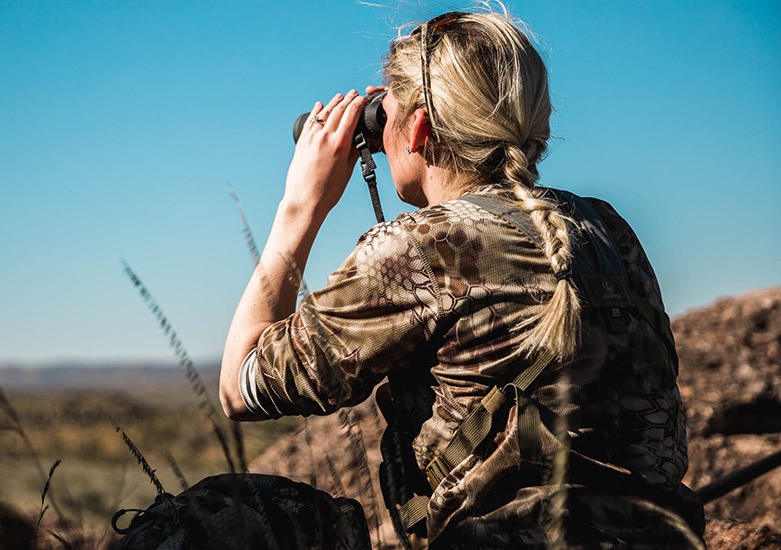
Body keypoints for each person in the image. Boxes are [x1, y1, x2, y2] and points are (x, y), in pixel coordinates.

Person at [220, 8, 704, 548]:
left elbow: (242, 387)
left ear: (420, 127)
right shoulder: (606, 228)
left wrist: (299, 207)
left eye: (390, 112)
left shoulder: (421, 248)